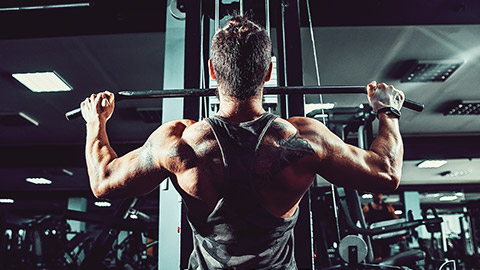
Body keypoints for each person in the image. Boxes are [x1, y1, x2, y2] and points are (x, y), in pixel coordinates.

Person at [80, 16, 405, 270]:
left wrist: (96, 121)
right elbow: (385, 172)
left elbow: (104, 181)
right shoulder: (304, 138)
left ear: (212, 72)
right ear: (268, 73)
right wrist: (387, 111)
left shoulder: (180, 143)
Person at [363, 193, 401, 261]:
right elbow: (362, 222)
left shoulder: (388, 207)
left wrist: (400, 234)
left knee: (387, 258)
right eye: (376, 194)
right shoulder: (367, 207)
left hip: (386, 236)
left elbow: (396, 220)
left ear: (381, 195)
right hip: (375, 237)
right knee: (377, 257)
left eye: (379, 194)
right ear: (372, 195)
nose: (378, 196)